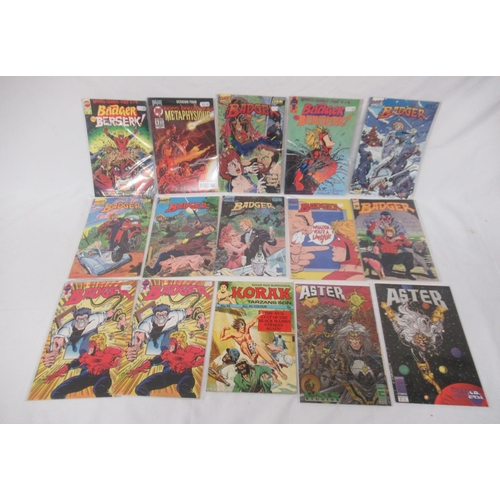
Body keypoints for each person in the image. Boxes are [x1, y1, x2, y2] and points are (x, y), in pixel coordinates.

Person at [128, 332, 204, 397]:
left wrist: (196, 363)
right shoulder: (167, 353)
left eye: (173, 341)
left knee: (183, 389)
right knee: (140, 388)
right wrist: (139, 368)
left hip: (186, 375)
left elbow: (206, 355)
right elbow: (153, 361)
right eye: (171, 341)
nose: (170, 344)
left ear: (179, 342)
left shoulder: (192, 350)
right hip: (170, 374)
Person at [45, 333, 122, 398]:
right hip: (87, 376)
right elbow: (72, 365)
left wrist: (116, 363)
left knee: (99, 390)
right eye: (90, 344)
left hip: (103, 377)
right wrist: (56, 374)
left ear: (98, 345)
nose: (89, 347)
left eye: (91, 345)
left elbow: (122, 353)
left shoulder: (109, 352)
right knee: (56, 393)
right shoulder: (86, 356)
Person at [332, 323, 386, 405]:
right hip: (353, 394)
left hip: (374, 393)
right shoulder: (342, 359)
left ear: (363, 340)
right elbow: (337, 377)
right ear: (347, 341)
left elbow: (380, 374)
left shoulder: (374, 358)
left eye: (358, 339)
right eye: (352, 339)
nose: (355, 343)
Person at [43, 307, 115, 367]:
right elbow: (58, 341)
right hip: (74, 337)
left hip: (90, 333)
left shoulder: (95, 318)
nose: (82, 321)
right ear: (75, 320)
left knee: (86, 347)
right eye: (79, 319)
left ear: (88, 319)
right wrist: (53, 354)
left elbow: (107, 314)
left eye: (85, 318)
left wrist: (112, 313)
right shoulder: (66, 328)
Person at [220, 315, 287, 380]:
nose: (243, 329)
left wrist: (260, 315)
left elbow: (254, 321)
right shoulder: (233, 334)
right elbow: (222, 338)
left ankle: (280, 372)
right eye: (241, 328)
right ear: (237, 327)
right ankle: (251, 357)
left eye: (244, 327)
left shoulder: (246, 328)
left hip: (253, 346)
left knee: (270, 360)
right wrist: (224, 329)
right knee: (243, 343)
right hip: (246, 350)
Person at [126, 303, 194, 361]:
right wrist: (134, 347)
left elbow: (186, 312)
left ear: (168, 315)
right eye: (158, 315)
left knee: (166, 345)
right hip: (154, 333)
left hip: (170, 329)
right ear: (155, 316)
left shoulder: (175, 315)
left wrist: (190, 311)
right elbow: (139, 335)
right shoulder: (147, 323)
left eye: (164, 315)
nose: (161, 318)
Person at [146, 224, 215, 275]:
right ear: (206, 227)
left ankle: (154, 271)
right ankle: (155, 270)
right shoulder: (197, 231)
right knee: (165, 254)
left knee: (163, 255)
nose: (208, 231)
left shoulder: (200, 240)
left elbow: (188, 247)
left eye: (210, 231)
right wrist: (198, 225)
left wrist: (174, 246)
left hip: (184, 251)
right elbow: (198, 227)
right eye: (208, 228)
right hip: (181, 247)